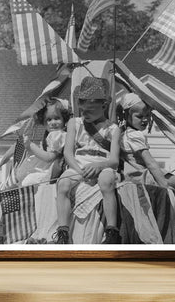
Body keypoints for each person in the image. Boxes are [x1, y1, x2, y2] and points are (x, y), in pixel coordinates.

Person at [52, 76, 121, 244]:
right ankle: (63, 231)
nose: (85, 114)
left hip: (102, 164)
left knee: (106, 181)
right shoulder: (74, 123)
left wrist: (99, 166)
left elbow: (114, 160)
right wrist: (80, 170)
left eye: (90, 111)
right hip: (78, 165)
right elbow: (68, 153)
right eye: (82, 110)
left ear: (103, 106)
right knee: (63, 184)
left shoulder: (112, 129)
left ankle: (112, 231)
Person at [118, 92, 175, 240]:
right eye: (140, 116)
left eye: (147, 116)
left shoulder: (125, 134)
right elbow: (149, 162)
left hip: (133, 173)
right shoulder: (135, 135)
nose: (145, 120)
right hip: (142, 174)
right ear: (126, 116)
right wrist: (163, 184)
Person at [19, 98, 70, 186]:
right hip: (46, 169)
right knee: (23, 177)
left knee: (28, 181)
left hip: (51, 172)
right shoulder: (50, 135)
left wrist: (30, 145)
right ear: (43, 122)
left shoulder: (58, 135)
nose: (53, 122)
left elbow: (49, 157)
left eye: (57, 118)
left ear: (64, 119)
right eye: (49, 120)